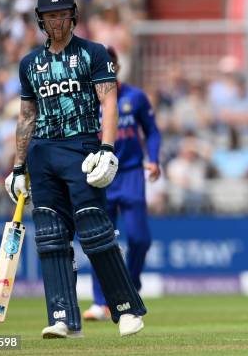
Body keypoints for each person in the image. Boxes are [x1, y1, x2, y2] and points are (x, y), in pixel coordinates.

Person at [4, 0, 146, 338]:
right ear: (41, 19)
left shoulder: (93, 53)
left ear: (73, 16)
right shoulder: (30, 64)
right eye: (50, 15)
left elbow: (108, 102)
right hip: (41, 152)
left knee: (95, 230)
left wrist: (108, 148)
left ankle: (126, 310)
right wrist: (18, 166)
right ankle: (64, 317)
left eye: (62, 14)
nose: (56, 21)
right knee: (51, 238)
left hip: (81, 148)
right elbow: (26, 116)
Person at [83, 46, 161, 321]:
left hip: (129, 173)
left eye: (111, 63)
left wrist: (154, 159)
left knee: (139, 239)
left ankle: (131, 286)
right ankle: (99, 301)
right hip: (99, 176)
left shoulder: (135, 97)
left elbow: (152, 131)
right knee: (100, 241)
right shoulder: (87, 99)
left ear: (117, 66)